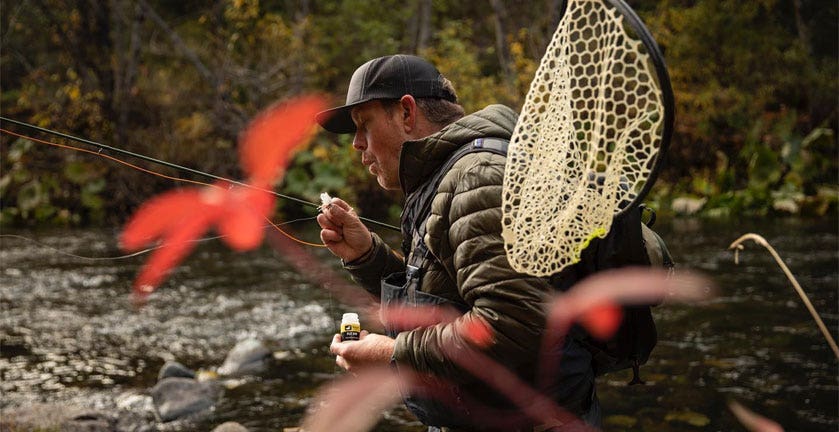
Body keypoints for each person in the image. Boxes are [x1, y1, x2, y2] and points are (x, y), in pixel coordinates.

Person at [315, 54, 600, 431]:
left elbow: (511, 325)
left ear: (405, 112)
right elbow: (446, 300)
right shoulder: (445, 176)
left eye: (364, 124)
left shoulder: (477, 177)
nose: (356, 144)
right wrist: (367, 256)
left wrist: (392, 354)